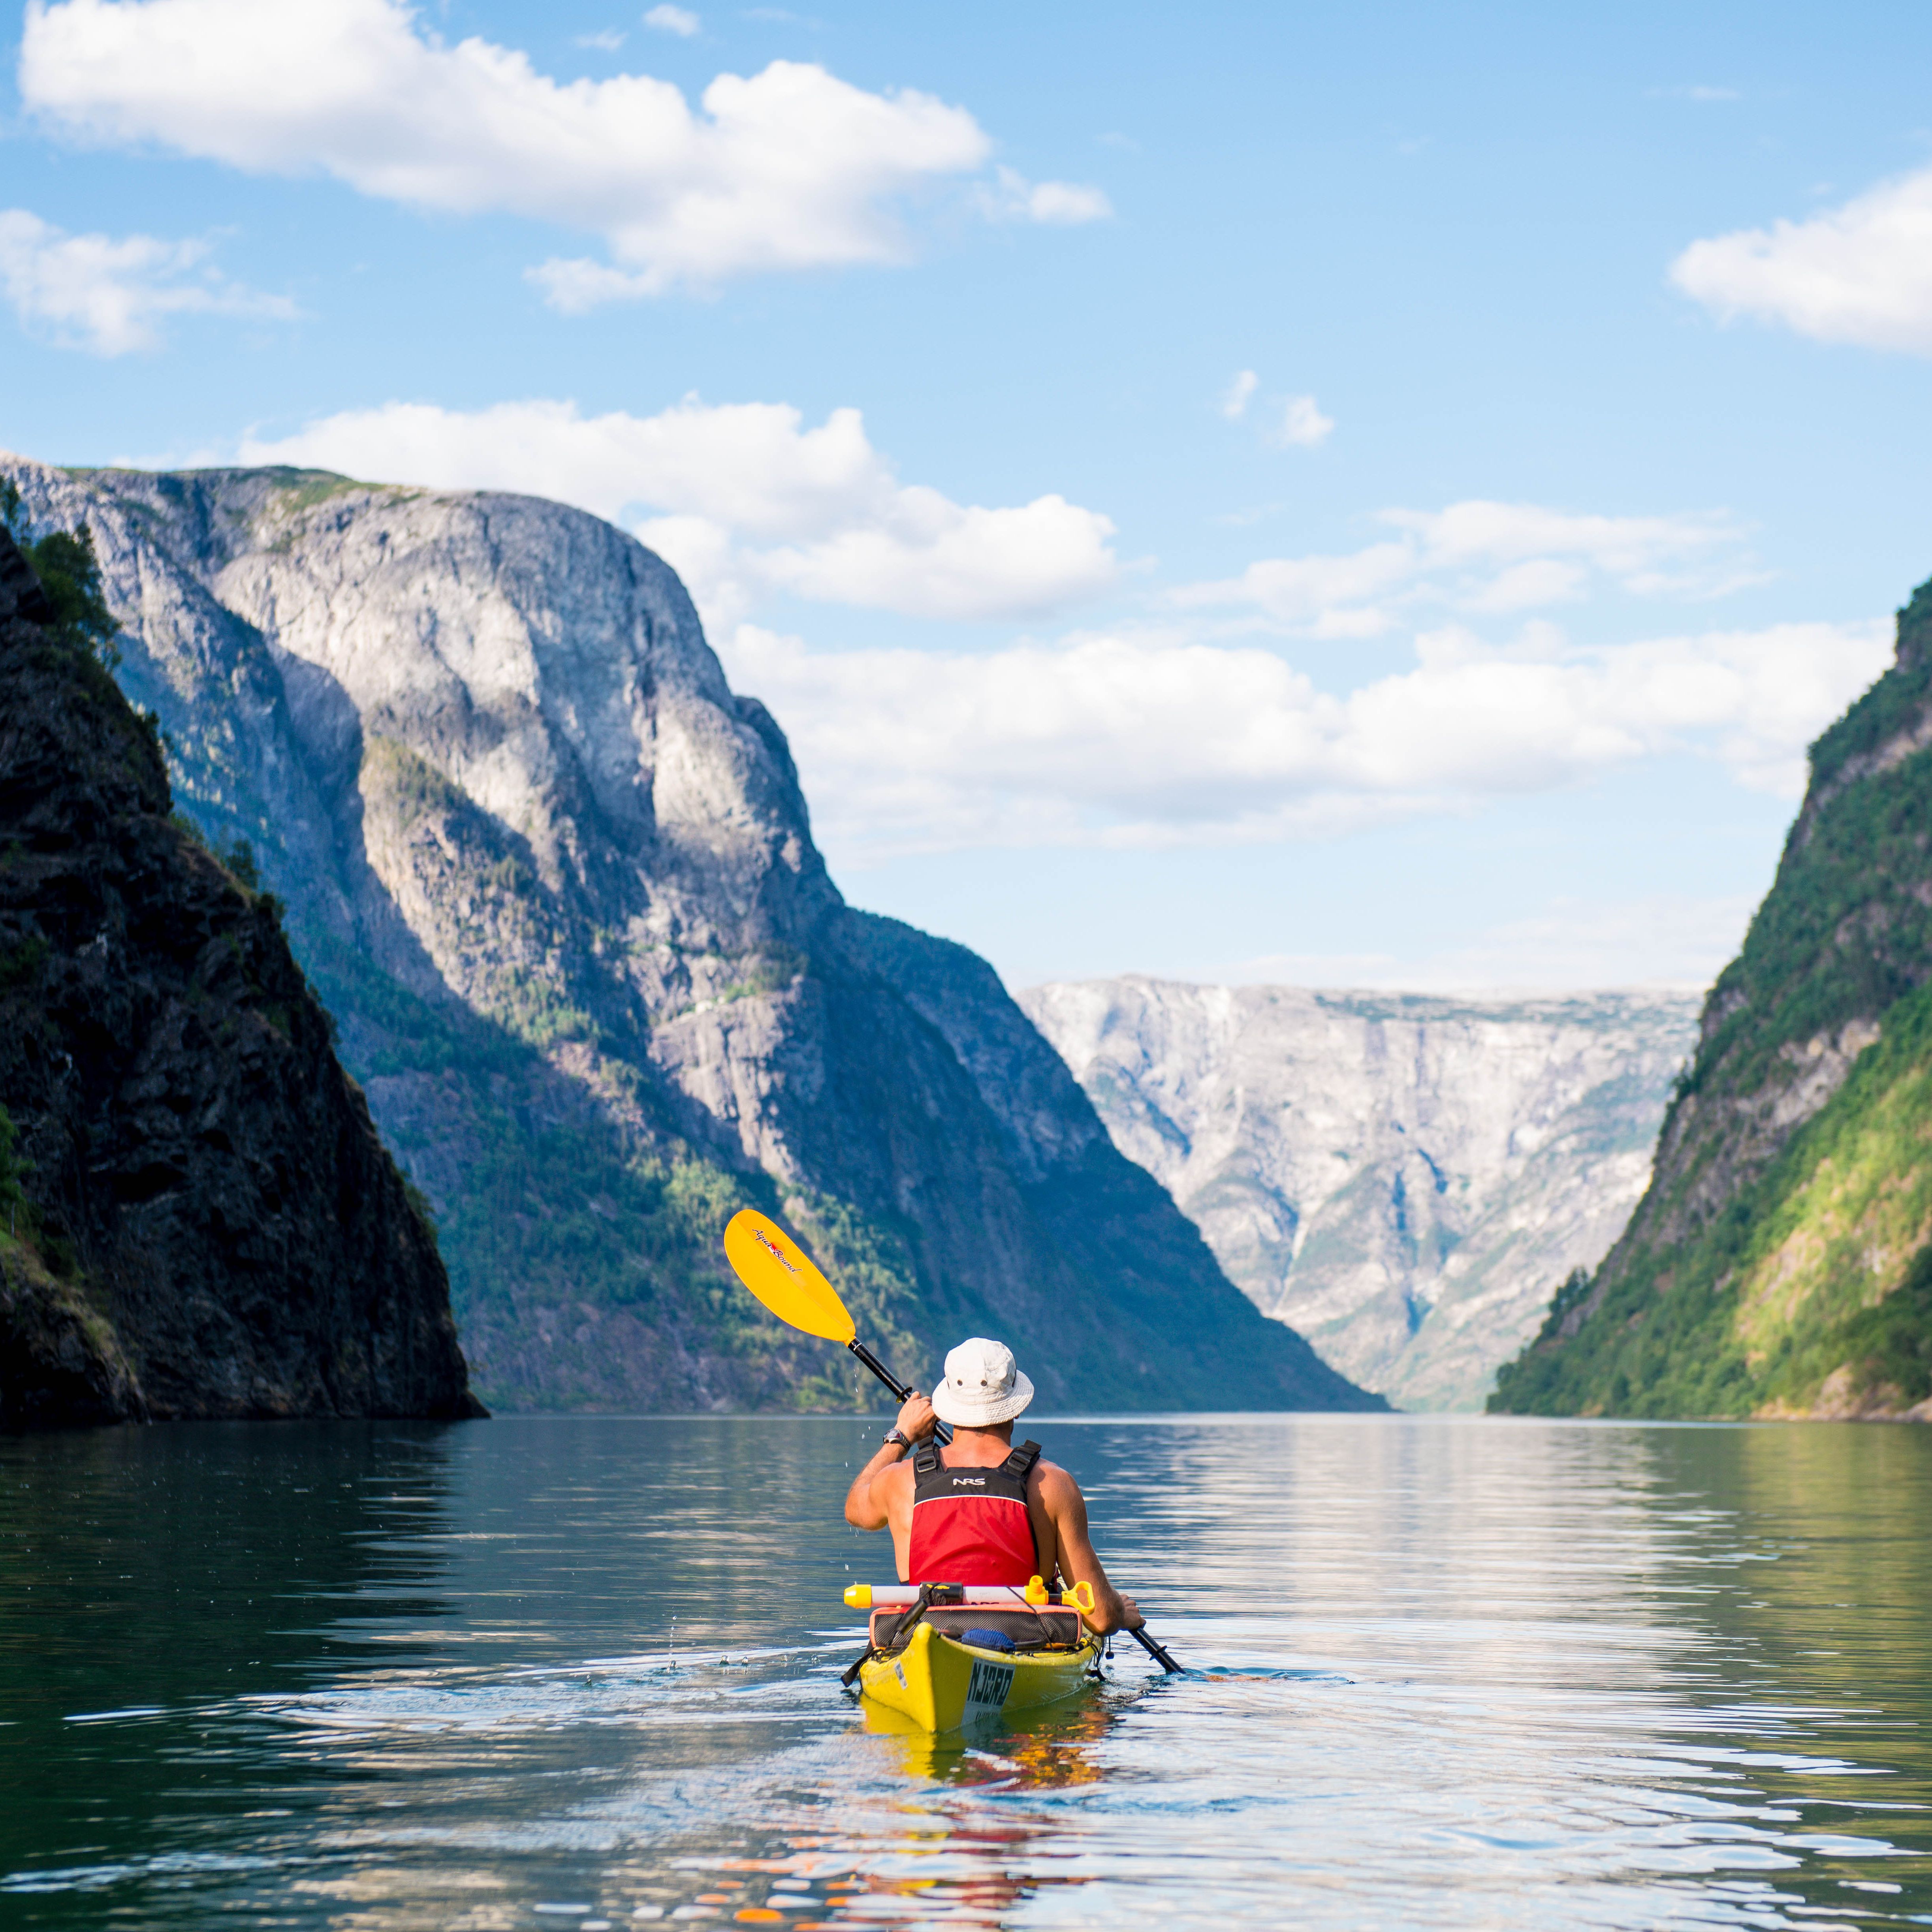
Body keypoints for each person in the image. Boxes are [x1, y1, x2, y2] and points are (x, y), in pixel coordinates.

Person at [843, 1336, 1144, 1636]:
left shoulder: (901, 1479)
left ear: (948, 1408)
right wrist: (1120, 1610)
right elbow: (1102, 1618)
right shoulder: (1052, 1484)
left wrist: (902, 1435)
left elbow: (855, 1508)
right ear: (1016, 1408)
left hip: (922, 1635)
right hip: (1021, 1639)